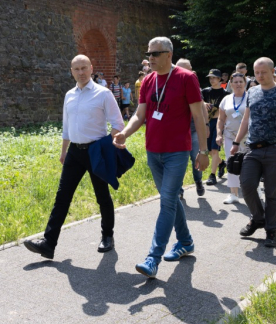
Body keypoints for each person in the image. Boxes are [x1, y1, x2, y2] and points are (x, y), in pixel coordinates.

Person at [113, 37, 209, 278]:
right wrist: (124, 132)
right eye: (149, 53)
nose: (151, 58)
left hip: (177, 151)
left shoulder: (187, 78)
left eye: (156, 53)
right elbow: (139, 114)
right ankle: (186, 242)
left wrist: (205, 151)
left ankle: (153, 258)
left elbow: (199, 116)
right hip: (153, 151)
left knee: (167, 201)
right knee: (170, 200)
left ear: (169, 54)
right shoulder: (147, 81)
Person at [24, 55, 125, 259]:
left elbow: (118, 124)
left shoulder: (103, 94)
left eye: (84, 68)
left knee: (102, 196)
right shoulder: (69, 95)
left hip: (95, 152)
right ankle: (48, 244)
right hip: (74, 153)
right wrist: (64, 151)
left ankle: (107, 236)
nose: (80, 72)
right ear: (71, 71)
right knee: (62, 197)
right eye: (76, 69)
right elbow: (66, 127)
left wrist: (107, 147)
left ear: (91, 68)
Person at [230, 57, 276, 247]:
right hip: (253, 149)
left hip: (275, 149)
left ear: (272, 71)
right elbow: (245, 120)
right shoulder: (252, 92)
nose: (259, 76)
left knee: (272, 192)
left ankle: (271, 231)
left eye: (263, 72)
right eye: (256, 73)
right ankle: (258, 218)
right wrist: (236, 142)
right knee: (247, 185)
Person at [176, 58, 209, 198]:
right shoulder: (171, 86)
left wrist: (206, 125)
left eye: (188, 69)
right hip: (178, 132)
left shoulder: (194, 85)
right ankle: (179, 189)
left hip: (194, 130)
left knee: (197, 157)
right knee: (178, 161)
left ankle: (198, 180)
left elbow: (202, 107)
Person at [216, 73, 248, 204]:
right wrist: (219, 133)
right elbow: (221, 119)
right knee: (232, 163)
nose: (238, 84)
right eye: (235, 82)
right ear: (231, 84)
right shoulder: (226, 99)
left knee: (249, 164)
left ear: (245, 83)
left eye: (241, 81)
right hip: (229, 136)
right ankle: (233, 194)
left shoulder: (250, 98)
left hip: (248, 137)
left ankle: (254, 190)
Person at [202, 69, 229, 185]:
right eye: (210, 78)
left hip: (218, 122)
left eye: (214, 77)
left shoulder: (226, 94)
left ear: (219, 79)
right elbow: (198, 102)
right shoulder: (205, 91)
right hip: (206, 123)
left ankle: (212, 176)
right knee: (209, 152)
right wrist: (203, 104)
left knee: (214, 149)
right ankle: (222, 163)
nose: (211, 80)